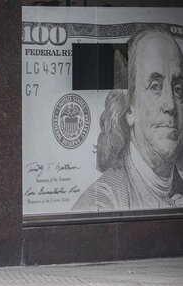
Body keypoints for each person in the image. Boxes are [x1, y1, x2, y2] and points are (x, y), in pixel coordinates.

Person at [73, 29, 183, 211]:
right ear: (129, 108)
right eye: (155, 86)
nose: (171, 105)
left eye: (178, 89)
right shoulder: (100, 203)